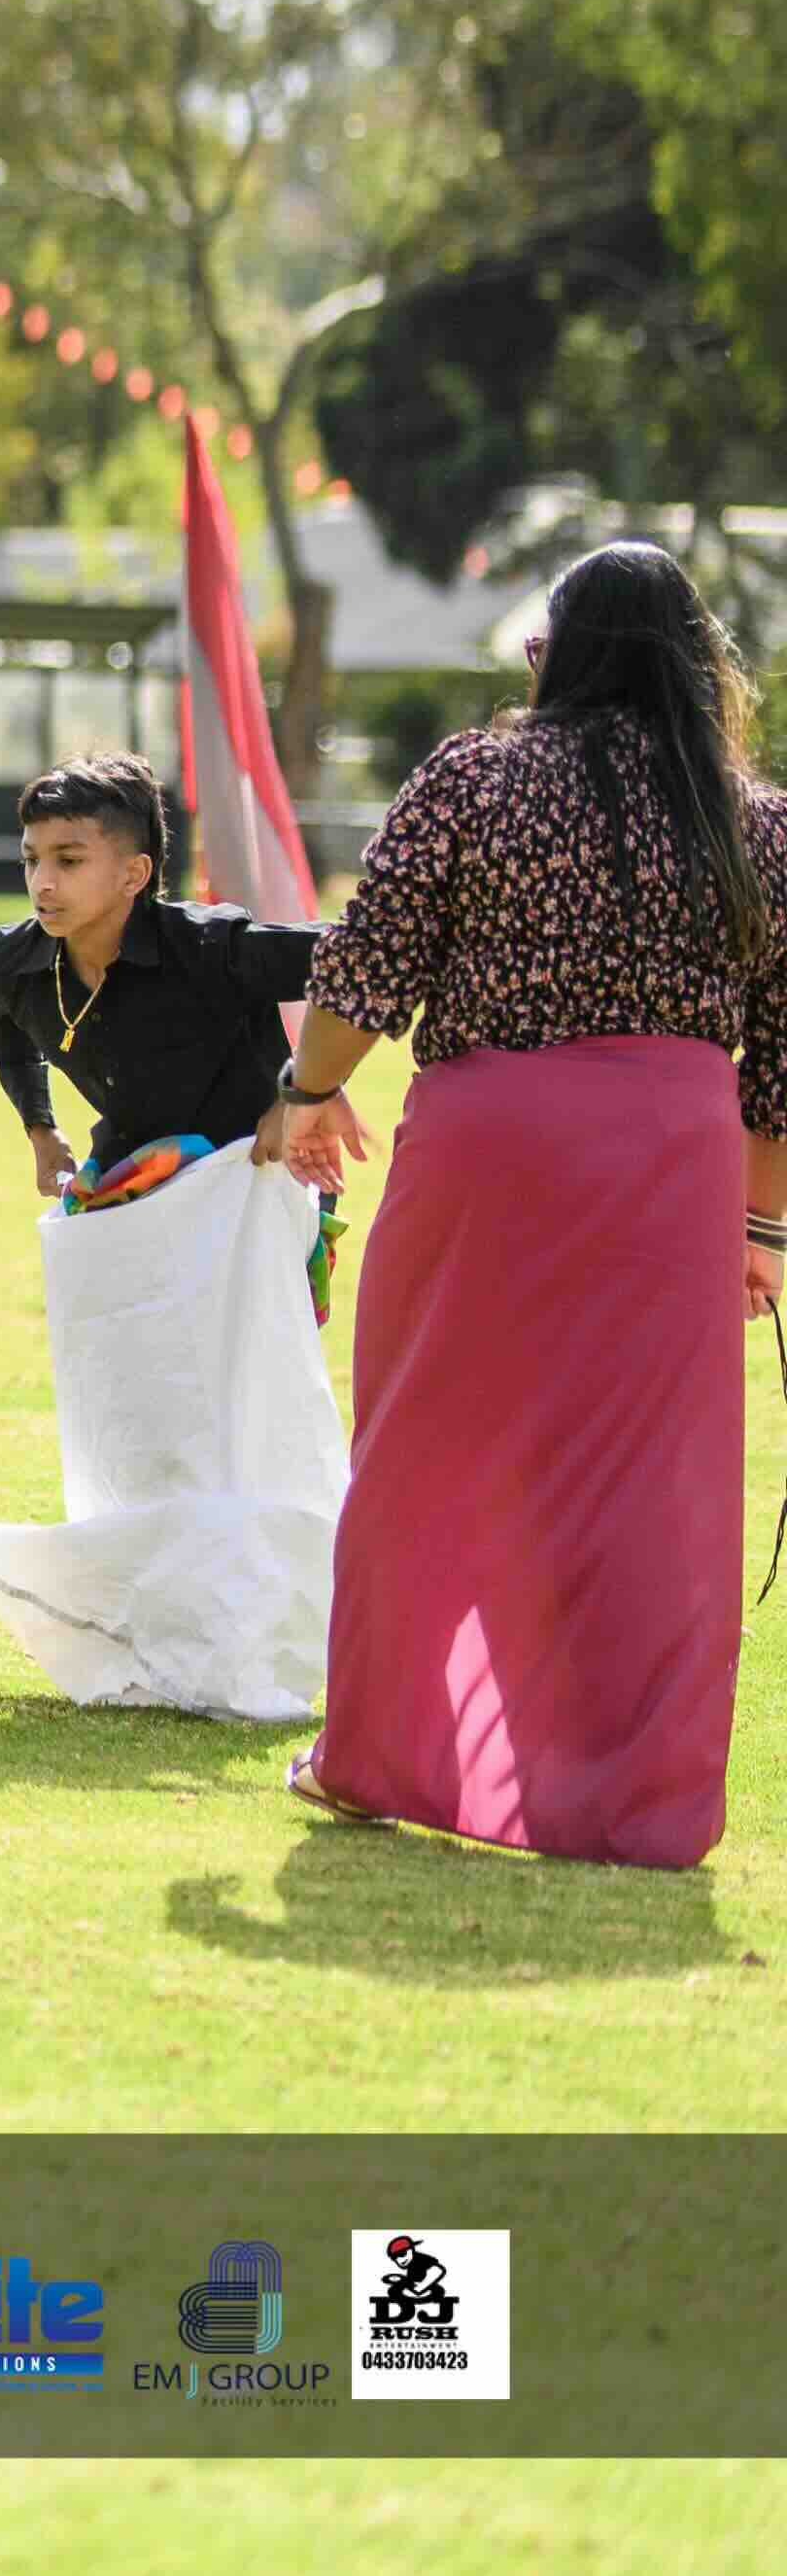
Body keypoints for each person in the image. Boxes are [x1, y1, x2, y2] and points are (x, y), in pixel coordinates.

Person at [270, 540, 787, 1872]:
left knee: (429, 1440)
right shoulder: (758, 823)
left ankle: (379, 1755)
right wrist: (758, 1229)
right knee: (647, 1486)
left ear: (554, 651)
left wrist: (305, 1088)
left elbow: (370, 963)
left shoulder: (478, 778)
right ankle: (633, 1802)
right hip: (672, 1163)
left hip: (493, 1148)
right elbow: (780, 1066)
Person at [0, 748, 324, 1234]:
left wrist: (304, 1091)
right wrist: (41, 1128)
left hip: (261, 1181)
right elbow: (2, 1025)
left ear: (133, 874)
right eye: (32, 859)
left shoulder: (210, 948)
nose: (43, 883)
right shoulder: (8, 963)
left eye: (69, 861)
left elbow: (355, 957)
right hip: (134, 1183)